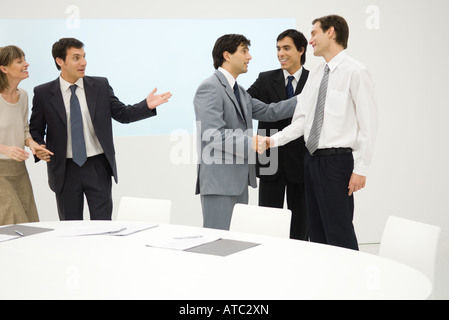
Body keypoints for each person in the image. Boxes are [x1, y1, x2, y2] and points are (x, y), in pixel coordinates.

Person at [254, 15, 378, 250]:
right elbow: (302, 121)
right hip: (310, 161)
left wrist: (361, 169)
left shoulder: (356, 72)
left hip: (336, 162)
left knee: (338, 230)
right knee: (317, 234)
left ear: (330, 32)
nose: (310, 40)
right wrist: (273, 140)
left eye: (314, 33)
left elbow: (368, 124)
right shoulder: (317, 74)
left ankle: (350, 282)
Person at [30, 38, 172, 221]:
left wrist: (146, 106)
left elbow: (122, 114)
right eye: (76, 58)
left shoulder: (100, 86)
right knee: (70, 227)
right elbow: (36, 129)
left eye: (84, 56)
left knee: (103, 225)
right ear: (60, 61)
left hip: (97, 166)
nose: (83, 62)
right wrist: (39, 147)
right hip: (65, 169)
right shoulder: (43, 93)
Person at [194, 34, 297, 230]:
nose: (249, 57)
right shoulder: (209, 87)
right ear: (227, 55)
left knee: (236, 246)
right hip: (220, 185)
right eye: (244, 51)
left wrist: (307, 97)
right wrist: (251, 141)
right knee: (218, 244)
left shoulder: (240, 92)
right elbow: (213, 134)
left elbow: (270, 111)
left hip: (240, 183)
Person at [247, 29, 309, 241]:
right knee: (267, 224)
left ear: (301, 50)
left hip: (302, 161)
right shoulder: (265, 79)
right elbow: (243, 103)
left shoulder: (313, 81)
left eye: (286, 48)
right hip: (269, 158)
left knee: (301, 226)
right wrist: (269, 111)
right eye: (278, 48)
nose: (280, 53)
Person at [0, 45, 53, 225]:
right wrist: (6, 149)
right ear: (4, 68)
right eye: (20, 61)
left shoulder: (23, 95)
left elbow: (23, 128)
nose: (26, 64)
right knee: (12, 225)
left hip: (19, 170)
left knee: (29, 223)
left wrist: (32, 144)